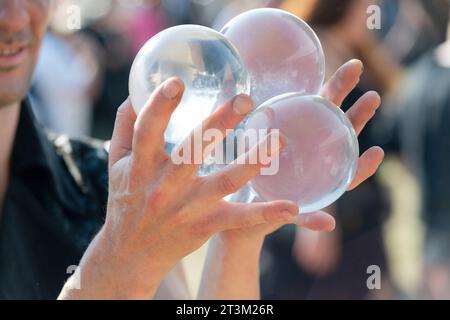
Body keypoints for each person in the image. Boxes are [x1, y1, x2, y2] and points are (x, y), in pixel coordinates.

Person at [0, 0, 383, 299]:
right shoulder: (124, 208)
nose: (14, 17)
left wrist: (238, 241)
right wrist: (121, 260)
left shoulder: (100, 183)